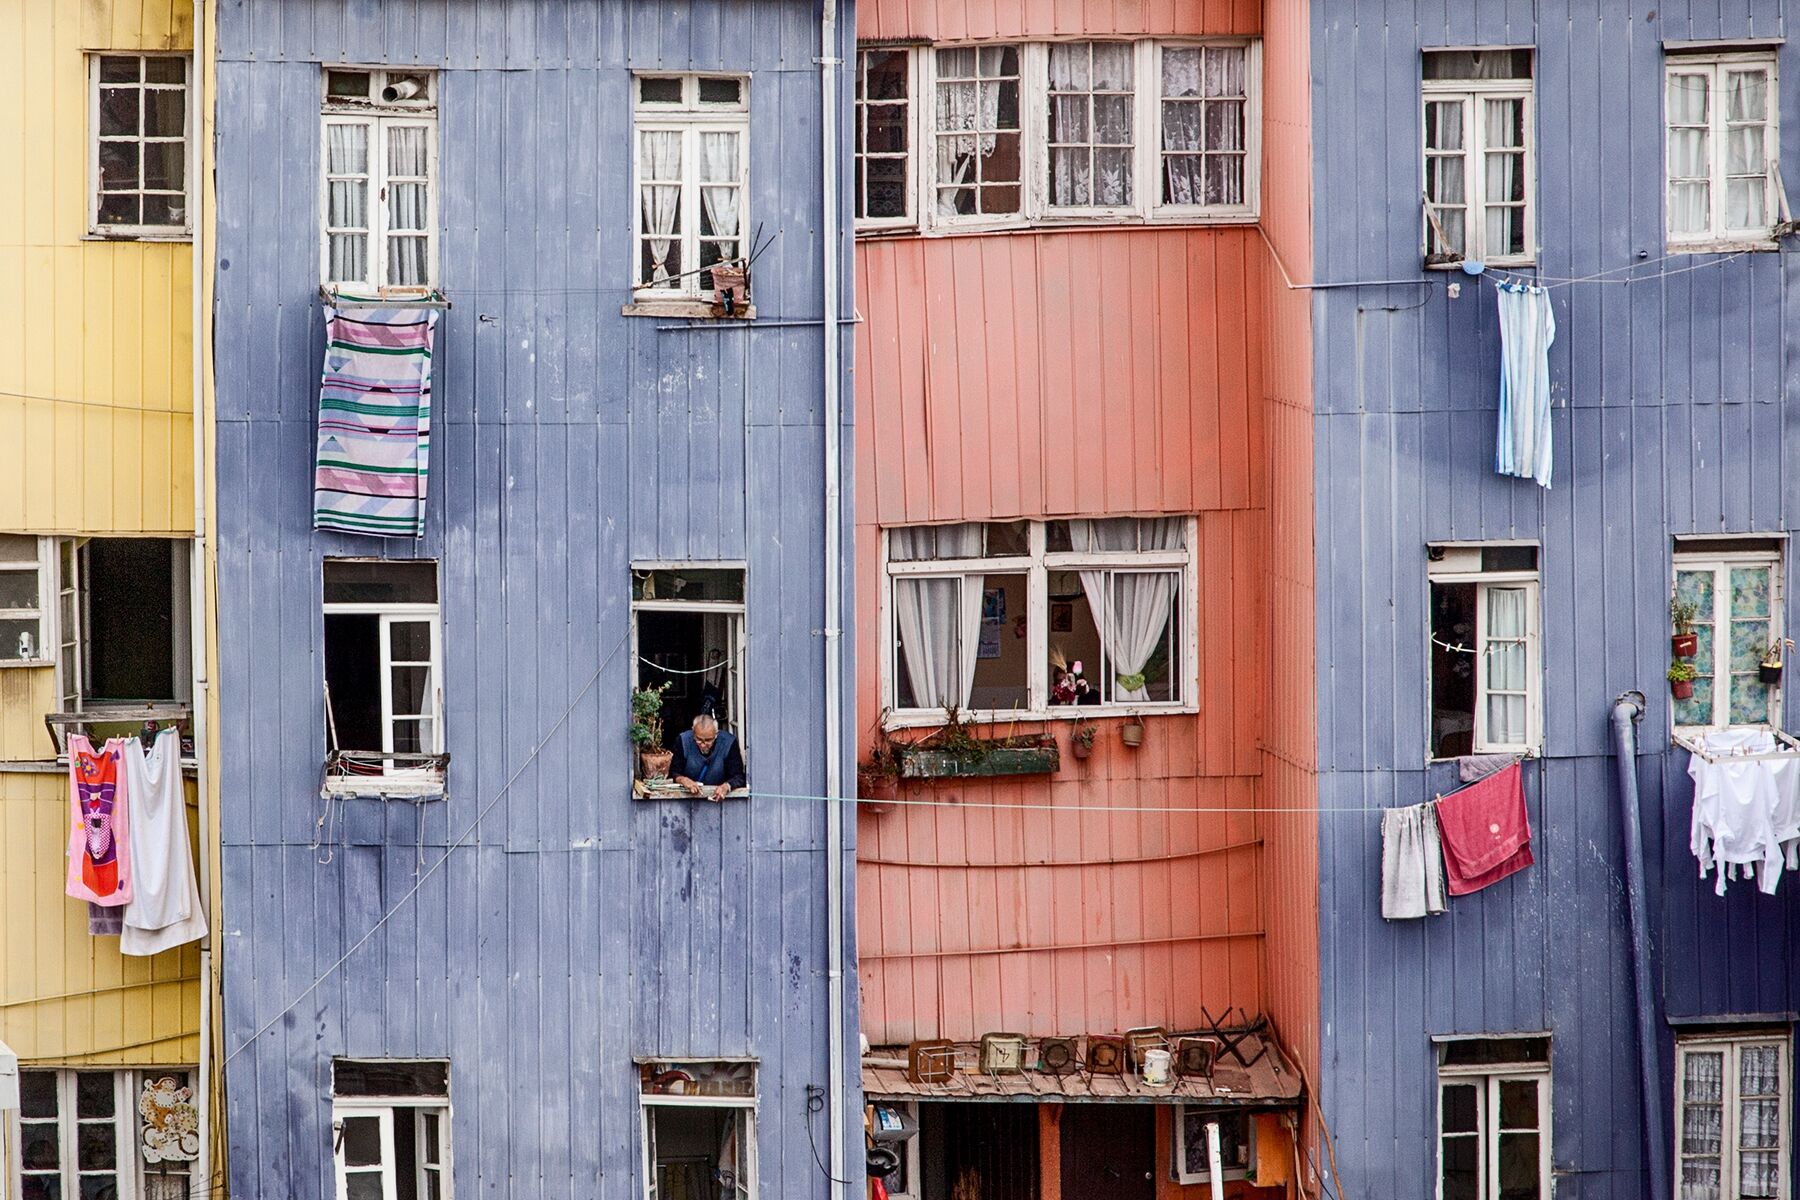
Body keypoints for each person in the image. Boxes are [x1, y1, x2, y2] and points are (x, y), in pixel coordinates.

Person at [672, 713, 746, 801]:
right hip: (687, 799)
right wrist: (683, 780)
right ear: (693, 731)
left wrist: (726, 787)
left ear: (716, 734)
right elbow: (673, 772)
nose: (703, 745)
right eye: (698, 739)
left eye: (708, 740)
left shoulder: (729, 742)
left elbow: (738, 776)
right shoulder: (682, 740)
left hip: (718, 799)